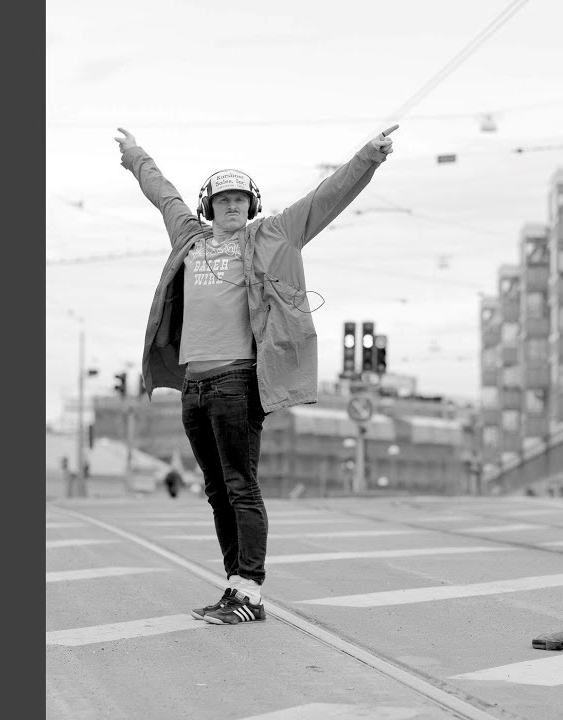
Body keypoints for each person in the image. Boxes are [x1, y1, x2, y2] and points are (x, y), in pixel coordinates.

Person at [114, 124, 397, 626]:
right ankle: (234, 585)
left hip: (237, 383)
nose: (232, 206)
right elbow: (163, 194)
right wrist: (134, 154)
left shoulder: (273, 235)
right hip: (194, 387)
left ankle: (251, 591)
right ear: (208, 207)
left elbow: (326, 198)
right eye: (223, 199)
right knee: (217, 491)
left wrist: (369, 157)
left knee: (241, 486)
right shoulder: (189, 238)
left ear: (252, 205)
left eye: (240, 199)